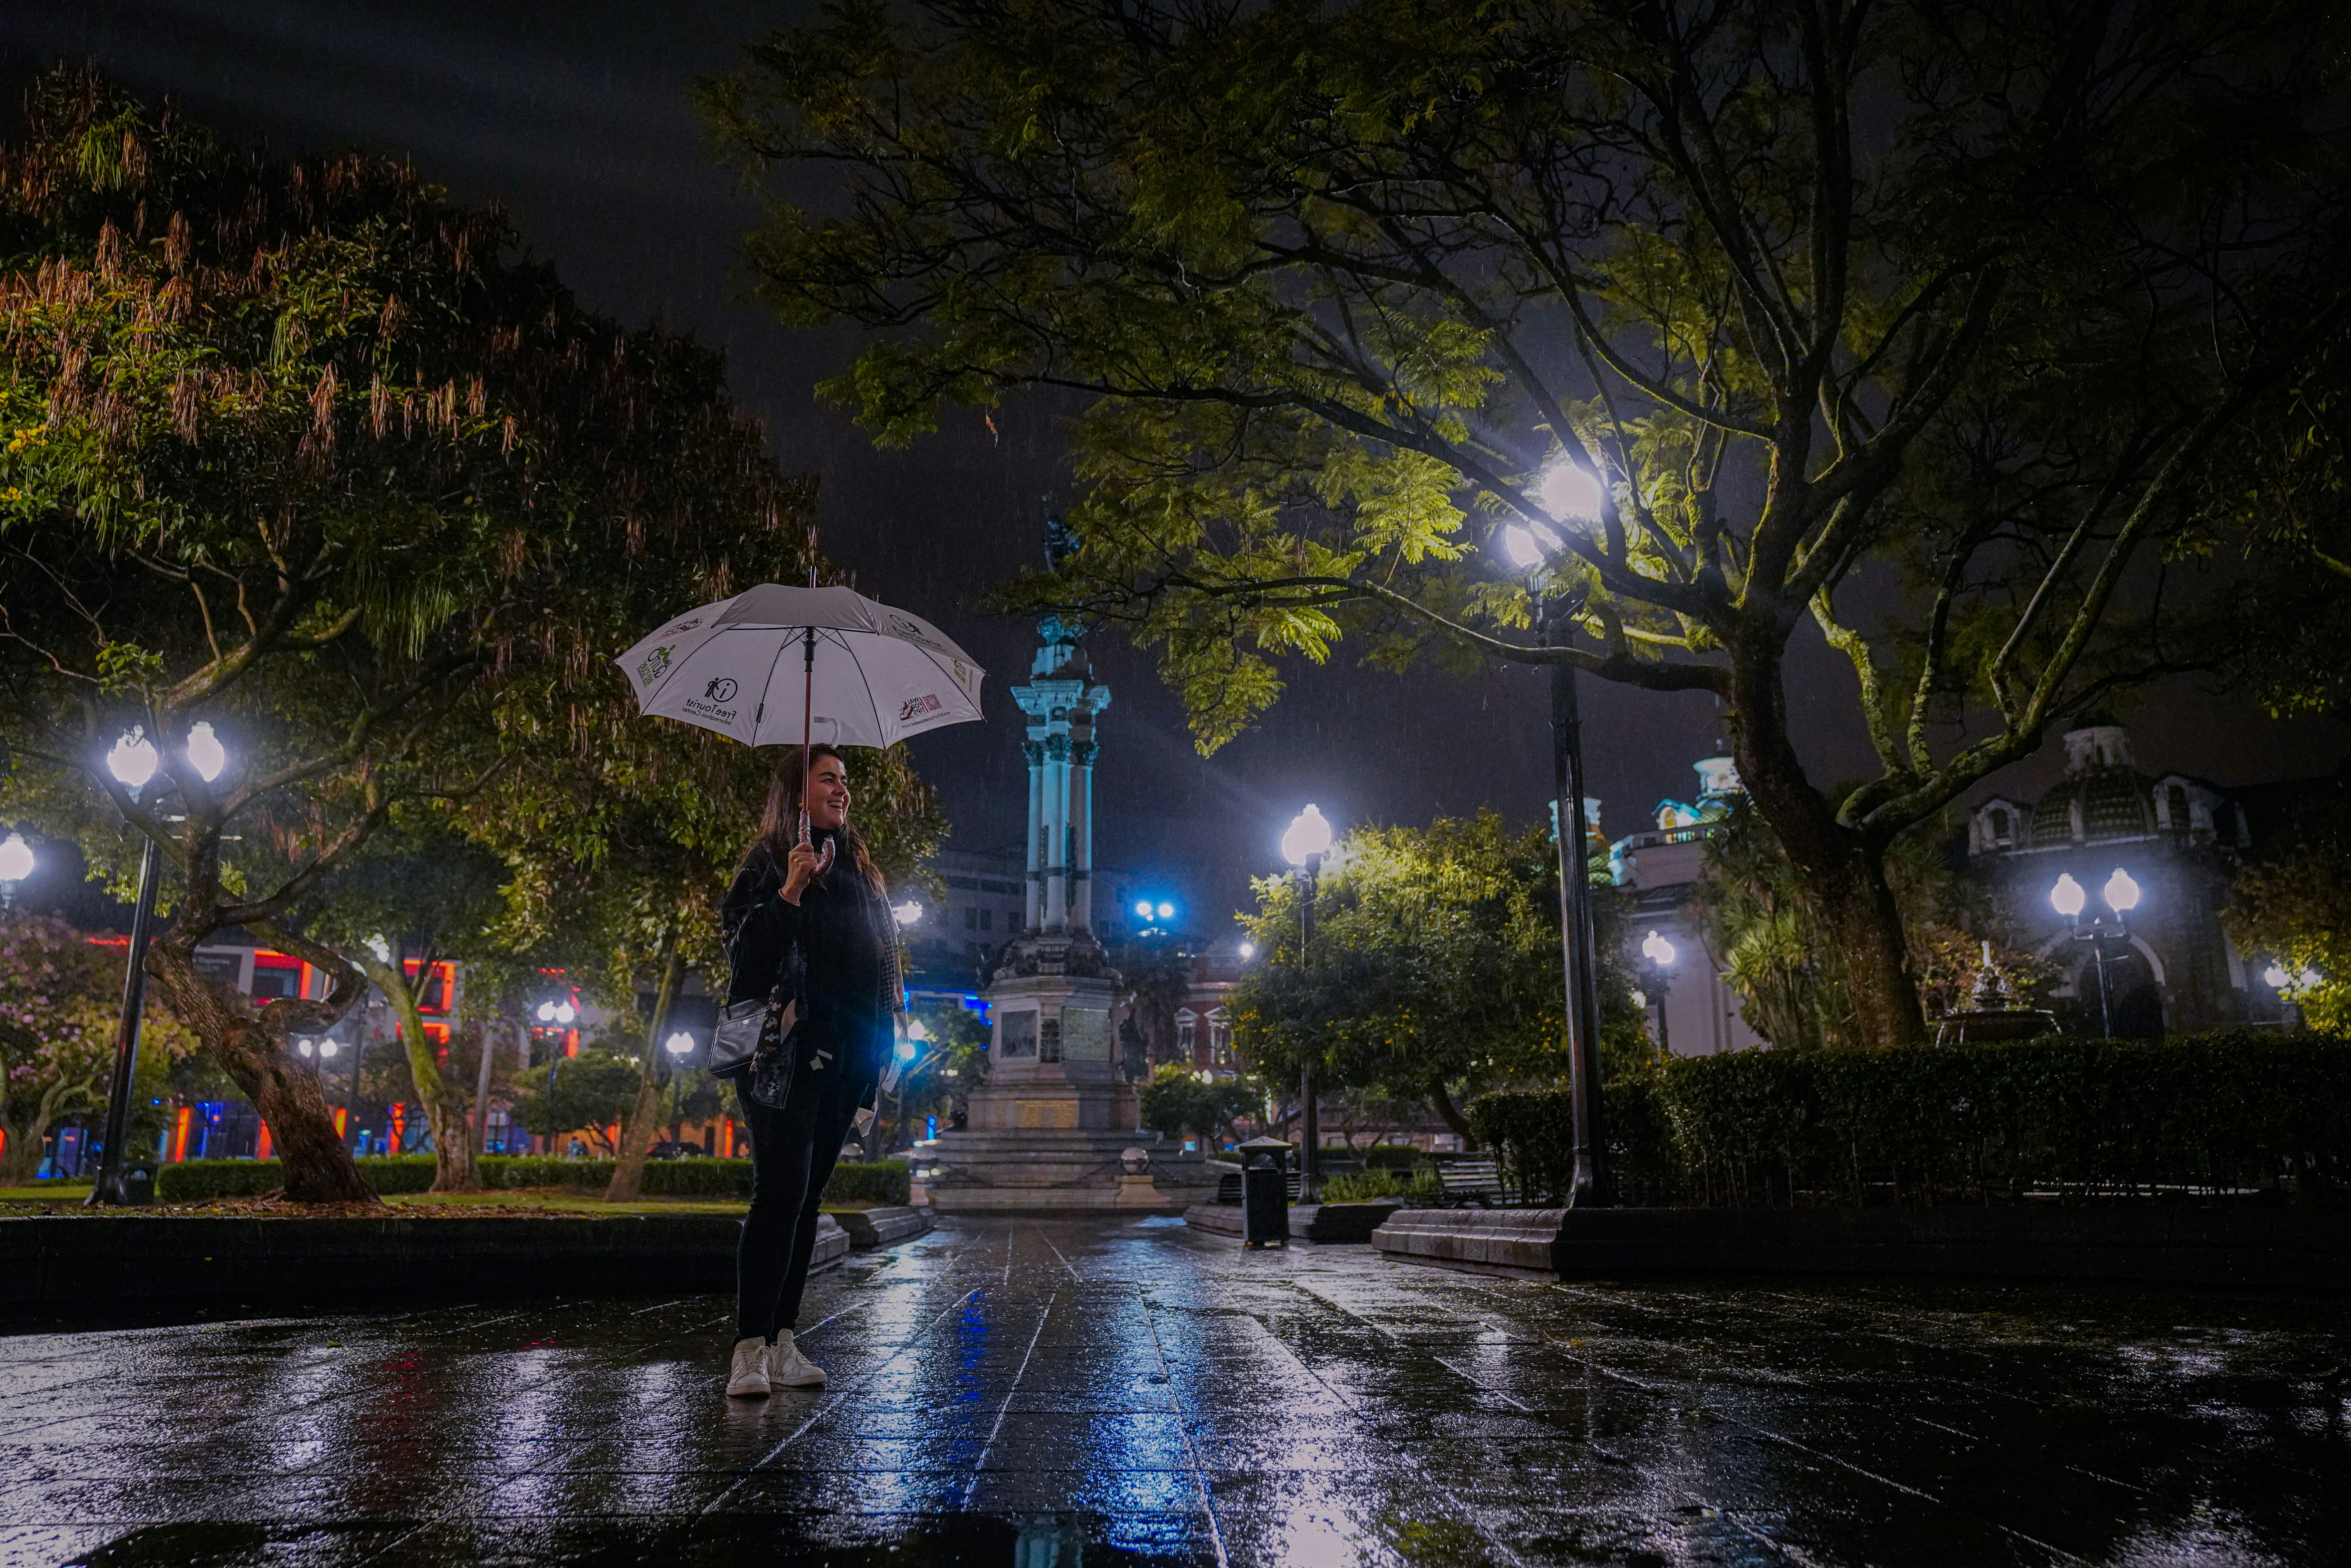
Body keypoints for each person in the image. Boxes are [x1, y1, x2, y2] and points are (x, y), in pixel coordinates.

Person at [716, 744, 904, 1397]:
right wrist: (790, 892)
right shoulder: (767, 864)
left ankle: (786, 1340)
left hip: (847, 1057)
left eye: (845, 780)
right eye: (829, 778)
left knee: (810, 1202)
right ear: (797, 793)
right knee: (780, 1194)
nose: (842, 790)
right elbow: (747, 967)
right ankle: (749, 1349)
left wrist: (881, 1054)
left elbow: (881, 970)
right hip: (782, 1056)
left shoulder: (859, 869)